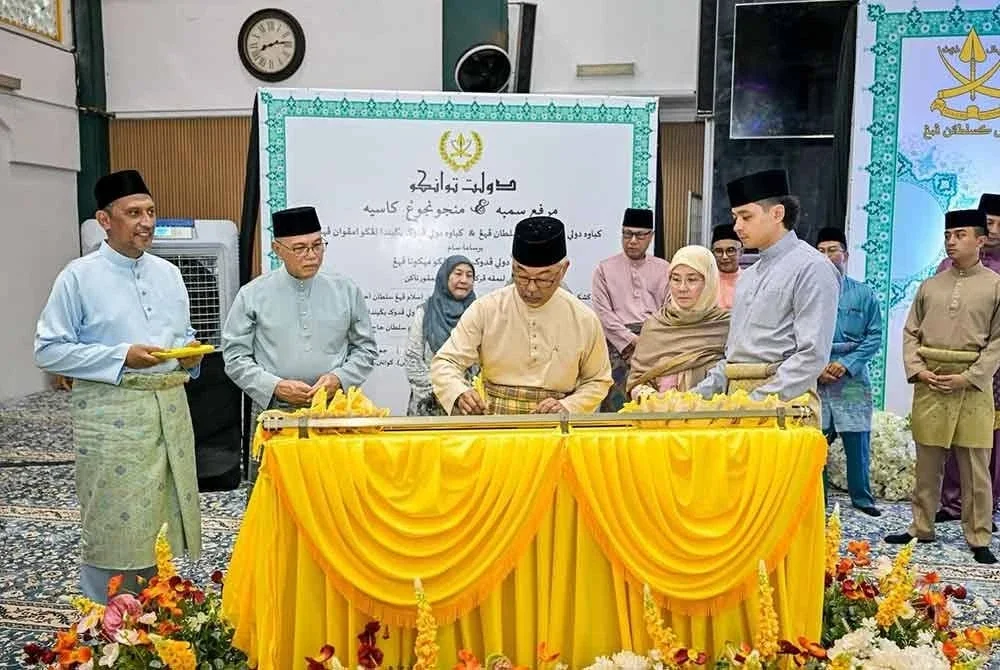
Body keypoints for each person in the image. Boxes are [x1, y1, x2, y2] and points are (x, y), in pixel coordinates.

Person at [34, 169, 205, 602]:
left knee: (162, 519)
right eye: (133, 213)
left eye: (150, 211)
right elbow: (49, 350)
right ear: (104, 220)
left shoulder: (169, 273)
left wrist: (188, 353)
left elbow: (179, 334)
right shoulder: (78, 276)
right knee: (115, 519)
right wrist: (119, 356)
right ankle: (102, 626)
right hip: (111, 418)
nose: (146, 221)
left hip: (168, 412)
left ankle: (158, 616)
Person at [886, 209, 1000, 564]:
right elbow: (910, 332)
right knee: (927, 463)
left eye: (960, 234)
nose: (951, 241)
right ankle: (921, 526)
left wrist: (971, 376)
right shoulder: (930, 285)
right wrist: (918, 371)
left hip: (973, 386)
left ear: (980, 240)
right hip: (931, 382)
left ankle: (979, 535)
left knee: (975, 466)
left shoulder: (995, 285)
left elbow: (998, 340)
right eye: (948, 234)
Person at [431, 216, 613, 415]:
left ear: (563, 270)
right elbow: (446, 362)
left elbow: (598, 380)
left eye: (544, 279)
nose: (531, 288)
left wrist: (568, 406)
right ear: (512, 267)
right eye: (522, 276)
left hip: (556, 429)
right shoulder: (486, 308)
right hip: (495, 425)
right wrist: (459, 392)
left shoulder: (584, 318)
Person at [693, 169, 840, 405]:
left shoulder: (812, 267)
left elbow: (812, 356)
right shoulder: (748, 277)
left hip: (784, 405)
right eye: (735, 217)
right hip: (737, 402)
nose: (737, 226)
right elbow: (734, 359)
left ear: (777, 213)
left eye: (746, 216)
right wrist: (693, 399)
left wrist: (755, 403)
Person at [222, 205, 378, 425]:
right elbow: (235, 358)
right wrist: (274, 386)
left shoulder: (346, 290)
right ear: (277, 249)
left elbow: (366, 349)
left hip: (334, 407)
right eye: (300, 248)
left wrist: (339, 379)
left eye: (317, 245)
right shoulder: (252, 294)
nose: (312, 255)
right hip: (275, 410)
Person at [935, 193, 1000, 525]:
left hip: (992, 371)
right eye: (990, 223)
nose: (995, 230)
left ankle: (986, 507)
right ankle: (951, 504)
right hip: (953, 368)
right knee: (951, 439)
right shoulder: (947, 268)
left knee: (988, 444)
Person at [815, 227, 882, 517]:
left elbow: (874, 336)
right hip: (816, 375)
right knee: (815, 440)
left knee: (858, 439)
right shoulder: (807, 293)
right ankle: (816, 498)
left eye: (833, 250)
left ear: (846, 254)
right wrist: (817, 367)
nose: (828, 256)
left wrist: (847, 364)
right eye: (821, 251)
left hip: (852, 377)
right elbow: (794, 336)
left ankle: (862, 498)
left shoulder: (864, 294)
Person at [591, 208, 670, 411]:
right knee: (616, 404)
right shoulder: (604, 269)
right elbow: (603, 313)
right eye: (627, 234)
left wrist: (649, 339)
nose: (632, 241)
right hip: (617, 346)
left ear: (650, 237)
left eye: (639, 235)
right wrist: (629, 341)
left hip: (655, 342)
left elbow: (669, 309)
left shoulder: (664, 269)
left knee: (652, 404)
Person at [626, 245, 730, 397]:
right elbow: (636, 380)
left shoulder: (725, 326)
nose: (682, 288)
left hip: (711, 416)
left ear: (709, 282)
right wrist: (651, 397)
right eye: (675, 279)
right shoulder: (655, 325)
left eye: (692, 280)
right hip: (659, 416)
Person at [405, 256, 476, 415]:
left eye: (469, 275)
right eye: (458, 273)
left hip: (467, 408)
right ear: (445, 277)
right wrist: (444, 393)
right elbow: (413, 359)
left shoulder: (479, 313)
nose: (464, 280)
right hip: (429, 407)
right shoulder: (425, 312)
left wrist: (467, 395)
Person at [710, 224, 743, 310]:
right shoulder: (706, 281)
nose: (724, 257)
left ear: (741, 252)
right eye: (719, 251)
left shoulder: (751, 281)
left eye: (730, 250)